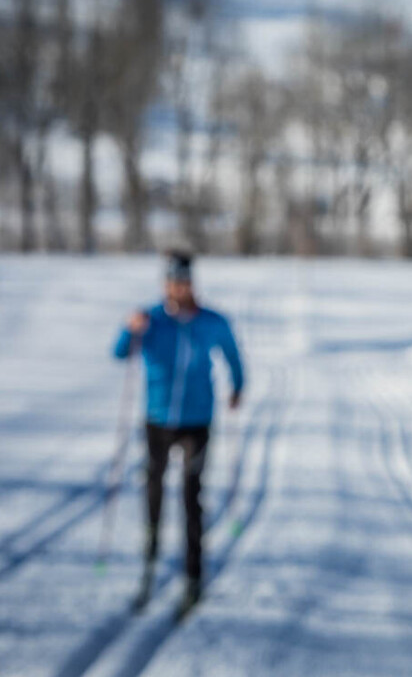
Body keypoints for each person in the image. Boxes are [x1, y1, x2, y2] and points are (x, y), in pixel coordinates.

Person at [112, 250, 244, 618]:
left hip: (197, 421)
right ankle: (149, 565)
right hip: (156, 420)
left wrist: (238, 387)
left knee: (191, 495)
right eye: (173, 282)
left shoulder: (213, 322)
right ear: (165, 284)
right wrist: (129, 328)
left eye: (184, 282)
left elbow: (234, 357)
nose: (179, 288)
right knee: (153, 490)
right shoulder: (151, 319)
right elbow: (120, 353)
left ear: (192, 284)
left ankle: (193, 575)